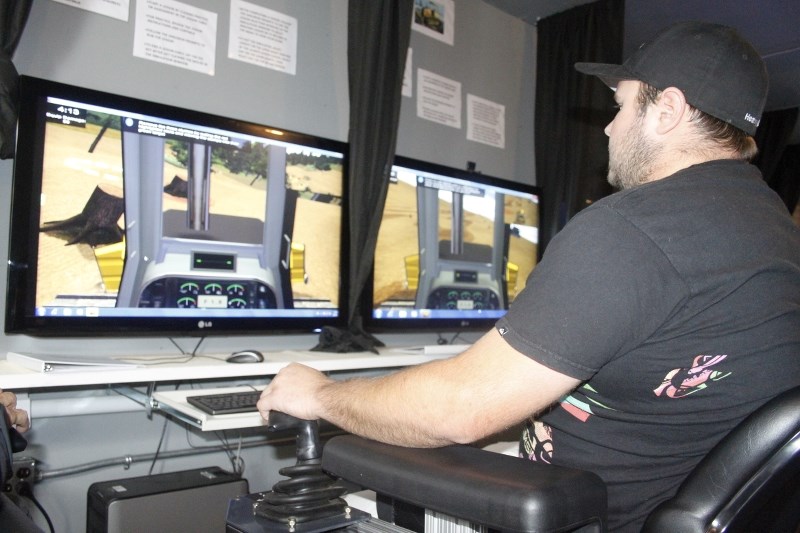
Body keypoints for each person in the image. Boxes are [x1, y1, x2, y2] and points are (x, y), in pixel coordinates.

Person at [258, 21, 800, 531]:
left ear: (669, 111)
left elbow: (460, 409)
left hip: (591, 515)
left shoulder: (634, 230)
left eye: (621, 106)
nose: (609, 127)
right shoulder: (773, 228)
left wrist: (322, 395)